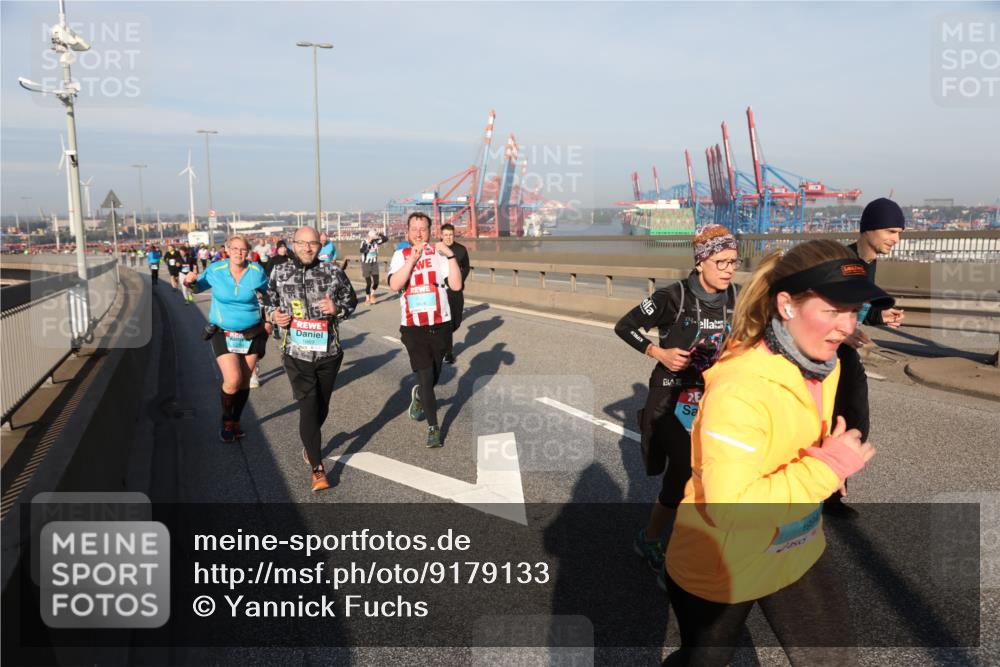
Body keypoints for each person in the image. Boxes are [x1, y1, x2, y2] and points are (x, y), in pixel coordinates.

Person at [661, 239, 891, 666]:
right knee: (704, 661)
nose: (846, 327)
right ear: (786, 305)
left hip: (794, 544)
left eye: (853, 311)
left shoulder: (828, 363)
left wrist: (825, 462)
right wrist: (826, 468)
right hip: (725, 557)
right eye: (832, 310)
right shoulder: (740, 386)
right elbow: (730, 509)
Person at [614, 225, 740, 584]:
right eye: (720, 261)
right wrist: (658, 351)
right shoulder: (672, 296)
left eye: (733, 261)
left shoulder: (736, 296)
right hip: (671, 394)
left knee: (715, 467)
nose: (728, 269)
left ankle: (703, 541)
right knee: (685, 466)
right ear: (701, 261)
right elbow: (626, 326)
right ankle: (650, 539)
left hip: (712, 396)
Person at [826, 197, 906, 518]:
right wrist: (843, 332)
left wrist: (880, 316)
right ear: (869, 228)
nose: (895, 239)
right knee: (824, 422)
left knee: (856, 419)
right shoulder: (840, 260)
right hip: (820, 352)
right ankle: (819, 493)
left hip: (843, 352)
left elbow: (856, 307)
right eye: (890, 230)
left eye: (899, 232)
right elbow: (816, 307)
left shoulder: (869, 262)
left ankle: (832, 491)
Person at [266, 226, 357, 492]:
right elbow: (267, 301)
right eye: (302, 243)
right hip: (296, 353)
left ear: (320, 245)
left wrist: (337, 309)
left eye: (312, 243)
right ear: (293, 244)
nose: (307, 248)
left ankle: (310, 444)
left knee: (321, 407)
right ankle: (317, 469)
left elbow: (350, 301)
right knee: (308, 406)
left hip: (329, 353)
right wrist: (274, 316)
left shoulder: (332, 271)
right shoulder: (280, 272)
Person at [184, 236, 270, 443]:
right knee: (232, 380)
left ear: (248, 252)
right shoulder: (216, 269)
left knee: (245, 382)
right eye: (235, 249)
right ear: (227, 250)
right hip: (224, 331)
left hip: (251, 331)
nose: (239, 253)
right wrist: (190, 281)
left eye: (243, 250)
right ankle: (226, 421)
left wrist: (268, 323)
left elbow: (270, 297)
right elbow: (197, 288)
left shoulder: (257, 272)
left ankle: (237, 420)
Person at [387, 212, 463, 447]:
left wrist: (450, 255)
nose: (418, 233)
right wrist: (412, 260)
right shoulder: (400, 255)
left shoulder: (440, 255)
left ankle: (420, 394)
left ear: (430, 231)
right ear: (407, 232)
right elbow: (393, 285)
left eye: (423, 228)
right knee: (426, 374)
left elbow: (456, 285)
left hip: (440, 324)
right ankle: (433, 427)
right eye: (414, 228)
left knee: (435, 375)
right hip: (413, 327)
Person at [438, 224, 470, 364]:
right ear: (441, 236)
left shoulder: (461, 250)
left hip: (456, 290)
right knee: (447, 323)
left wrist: (459, 280)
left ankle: (443, 341)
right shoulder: (436, 251)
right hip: (441, 291)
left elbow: (466, 267)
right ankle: (447, 352)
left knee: (456, 322)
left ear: (454, 235)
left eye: (450, 235)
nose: (448, 237)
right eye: (445, 235)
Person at [359, 230, 389, 305]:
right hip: (366, 264)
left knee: (376, 282)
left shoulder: (376, 242)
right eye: (374, 236)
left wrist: (379, 234)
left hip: (374, 263)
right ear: (370, 236)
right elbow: (362, 250)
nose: (376, 237)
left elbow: (385, 239)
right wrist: (369, 243)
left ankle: (372, 294)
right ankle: (367, 299)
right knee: (368, 283)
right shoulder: (364, 242)